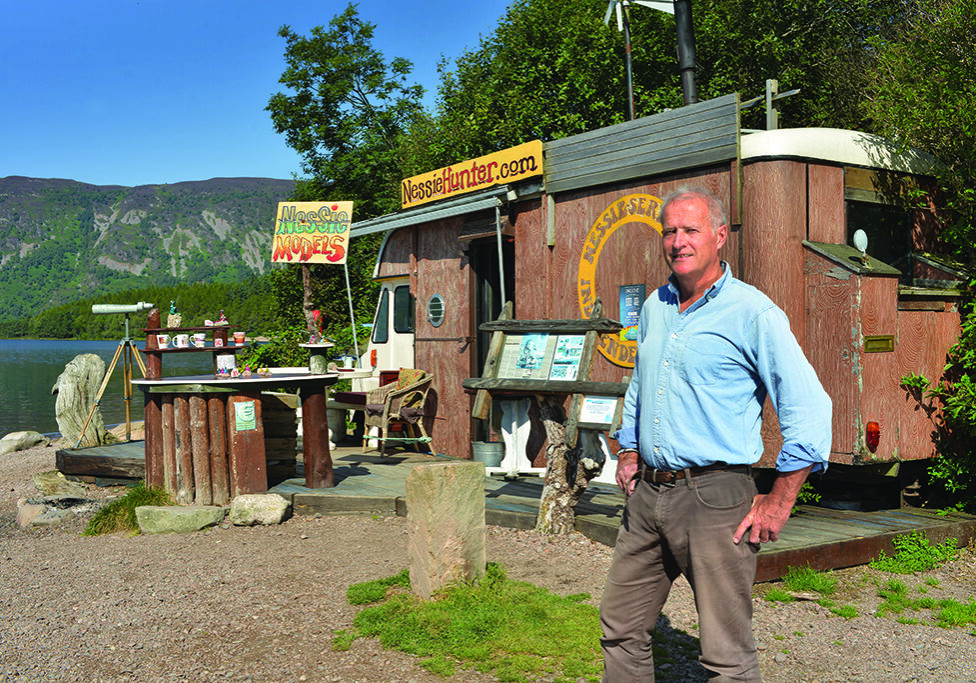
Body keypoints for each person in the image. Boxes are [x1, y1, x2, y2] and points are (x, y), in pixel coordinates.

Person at [599, 187, 832, 682]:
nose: (678, 241)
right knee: (621, 629)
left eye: (691, 230)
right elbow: (642, 382)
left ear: (720, 237)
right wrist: (629, 451)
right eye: (669, 231)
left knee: (726, 656)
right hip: (648, 494)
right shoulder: (658, 305)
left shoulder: (753, 312)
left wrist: (779, 499)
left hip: (716, 496)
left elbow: (809, 407)